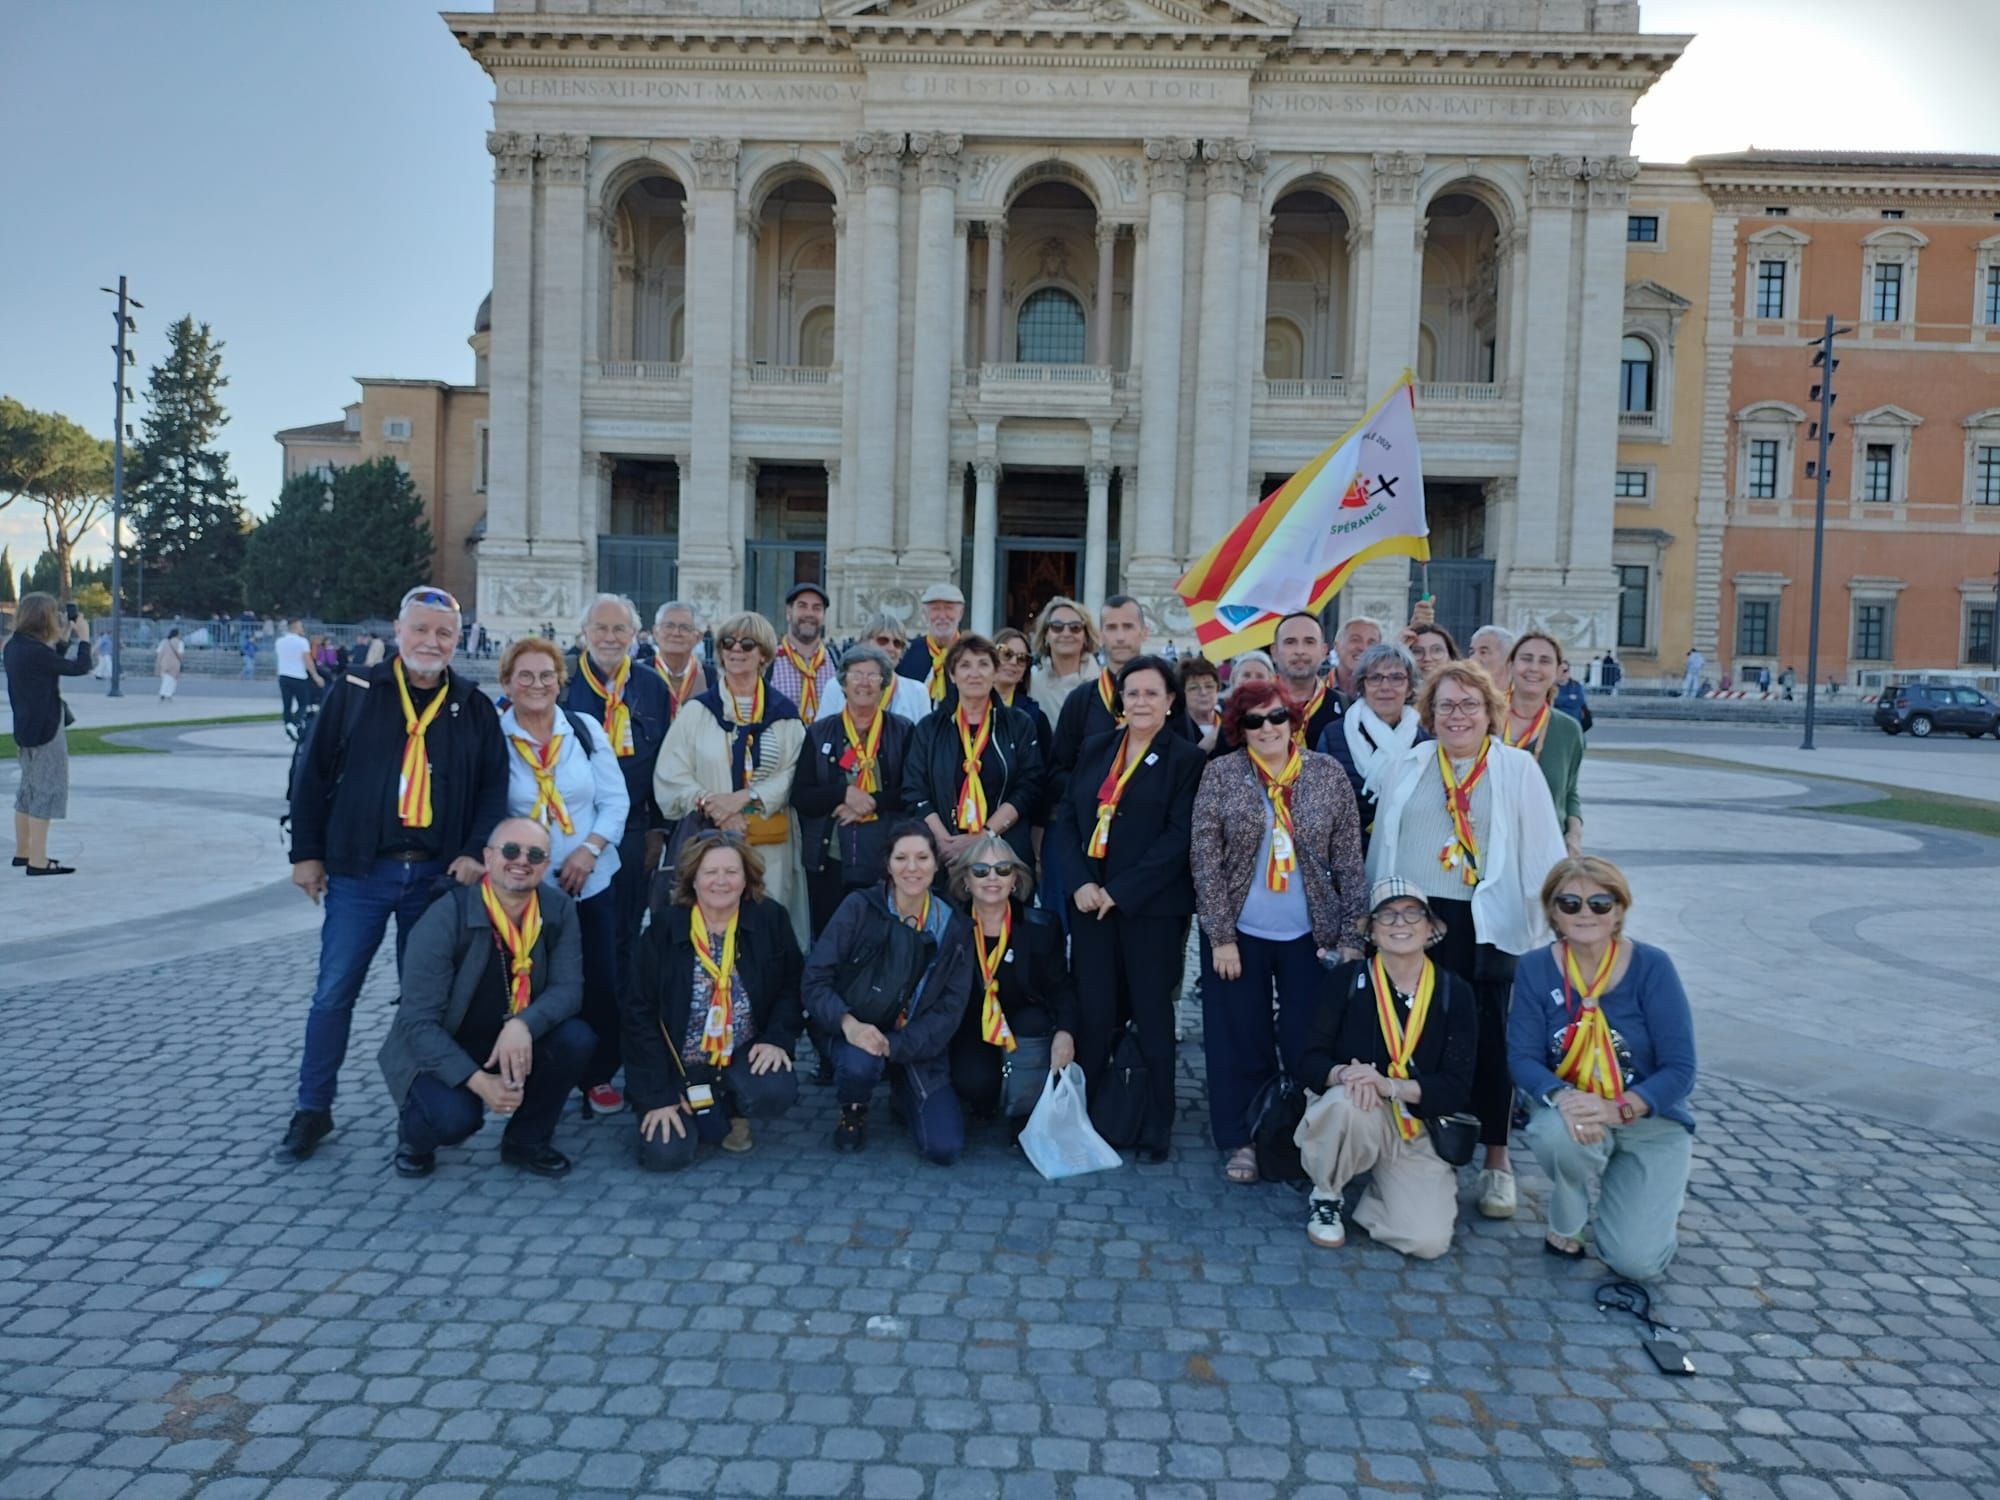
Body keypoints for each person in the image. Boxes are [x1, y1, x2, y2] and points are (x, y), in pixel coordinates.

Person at [282, 585, 509, 1163]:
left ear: (458, 640)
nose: (431, 642)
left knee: (425, 1005)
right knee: (334, 993)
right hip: (361, 873)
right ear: (397, 631)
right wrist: (305, 855)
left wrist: (476, 850)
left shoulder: (473, 705)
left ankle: (420, 1122)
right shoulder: (354, 692)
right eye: (421, 630)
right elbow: (308, 776)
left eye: (444, 633)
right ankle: (313, 1108)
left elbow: (492, 790)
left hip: (435, 879)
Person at [1365, 660, 1567, 1220]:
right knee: (1415, 1034)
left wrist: (1552, 928)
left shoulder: (1517, 769)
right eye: (1446, 706)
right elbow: (1384, 843)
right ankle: (1417, 1144)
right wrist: (1375, 913)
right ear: (1429, 715)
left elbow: (1544, 853)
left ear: (1490, 712)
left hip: (1488, 925)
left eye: (1469, 705)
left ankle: (1497, 1162)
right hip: (1415, 922)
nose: (1457, 716)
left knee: (1490, 1043)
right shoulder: (1407, 764)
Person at [1192, 678, 1367, 1183]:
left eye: (1276, 717)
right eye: (1254, 720)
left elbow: (1349, 861)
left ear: (1293, 721)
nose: (1267, 728)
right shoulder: (1222, 775)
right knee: (1237, 1038)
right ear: (1239, 729)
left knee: (1305, 1038)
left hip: (1312, 934)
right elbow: (1205, 859)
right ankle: (1241, 1138)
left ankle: (1301, 1133)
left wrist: (1351, 938)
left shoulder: (1327, 774)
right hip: (1240, 932)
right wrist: (1220, 935)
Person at [376, 817, 596, 1179]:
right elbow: (416, 1021)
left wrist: (524, 1025)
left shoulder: (558, 909)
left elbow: (569, 990)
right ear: (489, 857)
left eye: (535, 854)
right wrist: (481, 1083)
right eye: (511, 850)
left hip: (512, 1037)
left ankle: (527, 1140)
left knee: (576, 1039)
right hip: (445, 1043)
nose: (522, 860)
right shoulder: (446, 915)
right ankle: (415, 1138)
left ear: (546, 864)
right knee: (455, 1120)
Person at [1510, 857, 1696, 1279]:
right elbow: (1521, 1058)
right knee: (1559, 1136)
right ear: (1554, 913)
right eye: (1570, 903)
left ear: (1620, 910)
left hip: (1649, 1119)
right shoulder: (1535, 968)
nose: (1586, 913)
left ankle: (1650, 1197)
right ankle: (1568, 1216)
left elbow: (1681, 1068)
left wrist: (1619, 1110)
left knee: (1636, 1264)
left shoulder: (1653, 967)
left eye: (1600, 902)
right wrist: (1567, 1098)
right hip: (1572, 1114)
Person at [1051, 655, 1205, 1162]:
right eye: (1132, 693)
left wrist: (1121, 891)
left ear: (1169, 702)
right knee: (1095, 1011)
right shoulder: (1097, 749)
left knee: (1151, 1013)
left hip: (1150, 911)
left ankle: (1154, 1122)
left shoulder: (1186, 760)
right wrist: (1078, 882)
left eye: (1151, 694)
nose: (1140, 702)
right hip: (1089, 905)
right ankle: (1094, 1114)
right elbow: (1068, 820)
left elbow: (1179, 836)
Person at [1293, 880, 1478, 1256]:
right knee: (1347, 1102)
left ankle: (1382, 1191)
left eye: (1413, 913)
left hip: (1415, 1124)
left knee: (1427, 1242)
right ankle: (1327, 1194)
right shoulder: (1346, 981)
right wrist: (1345, 1075)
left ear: (1430, 929)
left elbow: (1457, 1087)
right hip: (1358, 1108)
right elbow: (1308, 1060)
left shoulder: (1453, 991)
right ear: (1373, 932)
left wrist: (1389, 1086)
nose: (1400, 923)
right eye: (1387, 915)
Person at [499, 637, 631, 1116]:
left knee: (600, 978)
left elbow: (615, 801)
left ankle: (598, 1075)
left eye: (547, 675)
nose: (537, 684)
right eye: (526, 676)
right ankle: (531, 1074)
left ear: (561, 682)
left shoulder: (585, 728)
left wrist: (590, 851)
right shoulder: (496, 737)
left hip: (589, 880)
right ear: (508, 683)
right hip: (524, 889)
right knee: (529, 982)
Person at [624, 832, 804, 1169]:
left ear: (746, 877)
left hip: (740, 1055)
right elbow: (638, 1014)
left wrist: (777, 1038)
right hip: (677, 1066)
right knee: (666, 1155)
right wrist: (659, 1095)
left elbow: (792, 985)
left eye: (731, 872)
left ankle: (734, 1106)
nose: (721, 881)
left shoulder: (769, 919)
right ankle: (689, 1103)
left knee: (775, 1088)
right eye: (710, 872)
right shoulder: (663, 929)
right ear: (693, 878)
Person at [803, 821, 976, 1161]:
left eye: (922, 858)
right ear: (887, 864)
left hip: (914, 1041)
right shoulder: (859, 907)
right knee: (860, 1064)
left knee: (944, 1148)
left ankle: (902, 1090)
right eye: (902, 858)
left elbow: (949, 1009)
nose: (912, 868)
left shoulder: (953, 926)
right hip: (856, 1031)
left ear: (936, 864)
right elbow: (815, 980)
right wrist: (849, 1025)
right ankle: (853, 1110)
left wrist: (895, 1046)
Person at [654, 611, 809, 940]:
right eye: (728, 642)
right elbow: (671, 773)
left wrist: (747, 798)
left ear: (764, 654)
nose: (736, 650)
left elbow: (795, 771)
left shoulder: (784, 715)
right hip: (710, 839)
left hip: (768, 842)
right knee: (711, 921)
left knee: (765, 924)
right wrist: (715, 807)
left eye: (747, 643)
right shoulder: (697, 711)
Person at [562, 593, 672, 984]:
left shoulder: (652, 686)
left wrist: (659, 830)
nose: (610, 637)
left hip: (633, 832)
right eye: (601, 628)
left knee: (624, 932)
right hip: (572, 831)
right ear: (584, 633)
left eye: (619, 629)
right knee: (569, 932)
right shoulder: (562, 681)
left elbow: (664, 761)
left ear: (636, 634)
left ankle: (618, 1024)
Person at [946, 832, 1076, 1122]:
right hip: (971, 1026)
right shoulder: (950, 927)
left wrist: (1066, 1032)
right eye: (980, 870)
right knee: (974, 1084)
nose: (992, 878)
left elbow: (1061, 988)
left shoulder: (1042, 927)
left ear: (1015, 879)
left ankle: (1026, 1102)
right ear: (966, 880)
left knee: (1034, 1022)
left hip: (1024, 1024)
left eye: (1003, 869)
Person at [793, 644, 912, 939]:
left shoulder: (904, 730)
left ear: (884, 684)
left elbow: (912, 791)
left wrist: (870, 803)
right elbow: (801, 796)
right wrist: (842, 795)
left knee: (879, 938)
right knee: (832, 937)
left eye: (873, 675)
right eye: (857, 674)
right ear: (843, 682)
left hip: (886, 857)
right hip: (830, 856)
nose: (864, 682)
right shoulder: (819, 732)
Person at [906, 635, 1044, 873]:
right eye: (965, 665)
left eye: (983, 664)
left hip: (1004, 853)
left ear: (995, 672)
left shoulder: (1019, 723)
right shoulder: (930, 727)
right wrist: (944, 842)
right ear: (952, 675)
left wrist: (985, 836)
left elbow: (1030, 786)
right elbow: (914, 789)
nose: (974, 673)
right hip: (943, 855)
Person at [5, 594, 92, 876]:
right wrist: (85, 638)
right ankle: (38, 861)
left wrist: (65, 637)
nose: (58, 618)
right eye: (54, 614)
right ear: (43, 618)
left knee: (28, 791)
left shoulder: (15, 647)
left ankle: (24, 852)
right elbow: (79, 668)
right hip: (46, 728)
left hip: (25, 728)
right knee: (46, 790)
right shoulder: (36, 651)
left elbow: (50, 664)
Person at [1317, 640, 1427, 853]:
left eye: (1396, 678)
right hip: (1345, 856)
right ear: (1362, 685)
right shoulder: (1333, 735)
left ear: (1409, 687)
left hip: (1407, 855)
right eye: (1375, 678)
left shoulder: (1425, 742)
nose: (1385, 686)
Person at [1503, 631, 1587, 857]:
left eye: (1545, 661)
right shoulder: (1484, 720)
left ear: (1559, 671)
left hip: (1545, 854)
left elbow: (1569, 794)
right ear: (1510, 665)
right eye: (1526, 659)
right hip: (1488, 852)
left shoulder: (1568, 730)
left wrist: (1573, 836)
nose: (1534, 668)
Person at [819, 612, 935, 725]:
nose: (891, 648)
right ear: (864, 643)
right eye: (883, 640)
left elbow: (925, 741)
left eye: (897, 643)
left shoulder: (917, 692)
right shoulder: (836, 686)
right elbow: (821, 734)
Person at [1270, 612, 1342, 750]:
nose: (1300, 650)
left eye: (1309, 642)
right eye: (1290, 642)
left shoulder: (1348, 709)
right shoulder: (1249, 706)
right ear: (1274, 652)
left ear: (1324, 651)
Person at [770, 582, 838, 723]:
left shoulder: (837, 662)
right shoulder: (768, 660)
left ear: (824, 617)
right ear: (788, 613)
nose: (809, 614)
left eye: (816, 608)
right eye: (802, 606)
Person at [1029, 596, 1099, 722]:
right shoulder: (1032, 684)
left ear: (1086, 637)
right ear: (1046, 635)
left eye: (1075, 627)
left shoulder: (1102, 683)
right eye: (1057, 626)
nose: (1066, 633)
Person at [991, 627, 1055, 764]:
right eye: (1006, 654)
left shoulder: (1036, 717)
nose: (1014, 662)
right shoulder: (967, 708)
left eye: (1022, 658)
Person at [898, 583, 965, 709]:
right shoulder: (906, 653)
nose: (942, 616)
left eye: (949, 608)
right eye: (935, 609)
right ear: (924, 614)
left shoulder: (971, 654)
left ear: (960, 613)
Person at [648, 600, 708, 711]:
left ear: (698, 637)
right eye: (669, 626)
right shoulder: (635, 674)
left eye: (685, 628)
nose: (676, 633)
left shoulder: (713, 678)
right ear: (655, 633)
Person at [1330, 615, 1384, 701]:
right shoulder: (1314, 690)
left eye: (1371, 643)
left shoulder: (1385, 694)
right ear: (1337, 647)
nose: (1363, 648)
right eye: (1355, 640)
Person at [274, 620, 314, 732]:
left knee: (287, 704)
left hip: (284, 675)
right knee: (303, 703)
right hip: (299, 676)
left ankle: (288, 726)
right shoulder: (302, 642)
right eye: (301, 626)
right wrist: (315, 675)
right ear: (295, 627)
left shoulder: (279, 641)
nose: (302, 629)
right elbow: (307, 660)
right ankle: (296, 724)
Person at [1180, 656, 1222, 752]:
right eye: (1194, 687)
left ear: (1218, 689)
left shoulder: (1231, 727)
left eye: (1209, 686)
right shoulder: (1171, 731)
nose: (1203, 692)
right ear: (1183, 692)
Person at [1469, 625, 1516, 694]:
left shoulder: (1523, 698)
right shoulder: (1464, 697)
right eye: (1472, 652)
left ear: (1507, 659)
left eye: (1483, 652)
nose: (1473, 659)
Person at [154, 628, 184, 702]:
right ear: (177, 634)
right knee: (173, 679)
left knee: (165, 678)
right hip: (175, 663)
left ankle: (164, 693)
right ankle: (168, 693)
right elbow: (180, 654)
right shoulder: (180, 642)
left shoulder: (164, 642)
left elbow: (158, 652)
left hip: (164, 662)